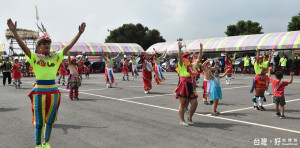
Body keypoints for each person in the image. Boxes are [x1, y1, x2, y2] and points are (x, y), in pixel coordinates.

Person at [7, 18, 86, 148]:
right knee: (39, 122)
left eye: (48, 43)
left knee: (49, 121)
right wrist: (15, 32)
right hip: (39, 92)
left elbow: (68, 46)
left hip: (54, 92)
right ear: (39, 46)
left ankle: (46, 142)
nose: (46, 45)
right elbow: (23, 46)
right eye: (43, 43)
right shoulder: (34, 57)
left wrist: (79, 34)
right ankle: (38, 144)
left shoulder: (56, 56)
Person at [175, 41, 199, 126]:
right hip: (183, 84)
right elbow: (180, 57)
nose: (190, 58)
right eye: (188, 57)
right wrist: (179, 48)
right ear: (184, 58)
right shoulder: (181, 64)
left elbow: (198, 60)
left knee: (194, 103)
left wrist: (201, 50)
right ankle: (182, 120)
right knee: (183, 103)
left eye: (190, 57)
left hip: (191, 84)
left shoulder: (191, 65)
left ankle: (189, 117)